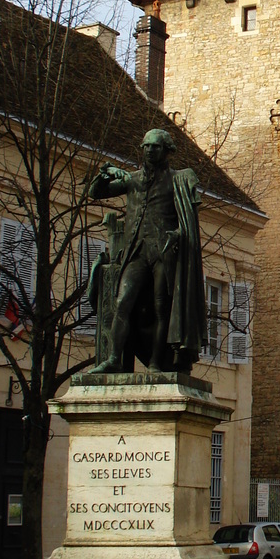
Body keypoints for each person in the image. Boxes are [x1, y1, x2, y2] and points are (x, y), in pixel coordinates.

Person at [88, 128, 206, 374]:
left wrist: (177, 234)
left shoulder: (178, 179)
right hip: (137, 251)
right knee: (122, 302)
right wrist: (102, 174)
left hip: (163, 252)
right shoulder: (131, 179)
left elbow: (188, 222)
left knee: (161, 307)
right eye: (147, 146)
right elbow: (95, 193)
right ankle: (114, 358)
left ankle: (155, 362)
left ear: (167, 151)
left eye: (156, 146)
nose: (150, 150)